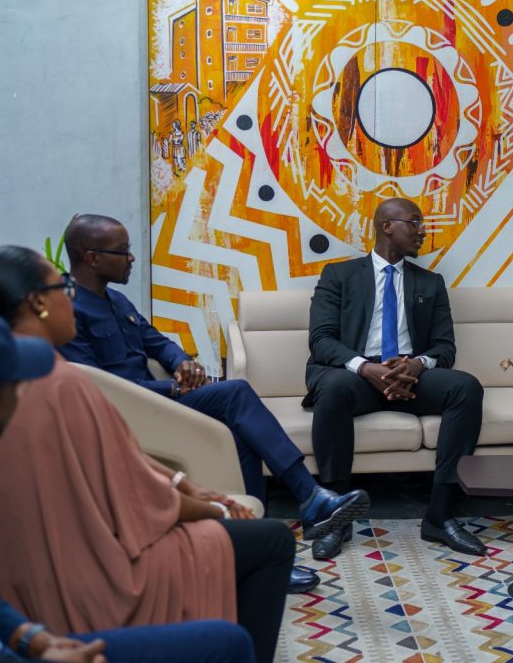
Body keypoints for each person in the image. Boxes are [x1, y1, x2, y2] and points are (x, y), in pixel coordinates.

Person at [0, 247, 293, 663]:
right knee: (271, 539)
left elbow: (120, 457)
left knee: (235, 404)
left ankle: (310, 494)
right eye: (62, 286)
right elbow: (139, 500)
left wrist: (184, 481)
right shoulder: (60, 380)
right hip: (94, 575)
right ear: (38, 303)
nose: (131, 258)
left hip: (17, 581)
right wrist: (218, 510)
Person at [56, 214, 369, 569]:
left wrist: (182, 362)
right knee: (235, 393)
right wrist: (171, 387)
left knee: (238, 434)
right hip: (128, 417)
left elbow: (157, 342)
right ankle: (309, 496)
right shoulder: (68, 311)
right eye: (122, 251)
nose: (131, 258)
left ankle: (260, 548)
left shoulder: (117, 301)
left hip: (158, 405)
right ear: (91, 258)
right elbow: (96, 385)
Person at [305, 198, 485, 560]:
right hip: (356, 375)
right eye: (414, 222)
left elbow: (444, 347)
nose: (422, 231)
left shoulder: (430, 283)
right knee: (334, 388)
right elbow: (321, 340)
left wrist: (417, 364)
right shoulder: (338, 275)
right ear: (387, 226)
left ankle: (440, 515)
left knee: (465, 387)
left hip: (408, 376)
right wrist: (364, 367)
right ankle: (337, 513)